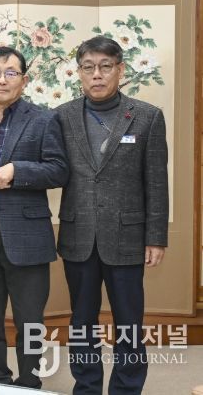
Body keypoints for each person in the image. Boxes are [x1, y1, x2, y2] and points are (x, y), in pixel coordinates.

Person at [55, 36, 169, 395]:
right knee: (82, 322)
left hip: (127, 236)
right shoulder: (61, 116)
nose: (97, 75)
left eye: (105, 66)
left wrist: (156, 237)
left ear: (120, 70)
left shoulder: (147, 116)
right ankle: (87, 387)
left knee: (129, 323)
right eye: (88, 67)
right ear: (79, 72)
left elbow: (156, 180)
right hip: (79, 235)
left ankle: (127, 389)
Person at [0, 47, 68, 388]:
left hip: (27, 238)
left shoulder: (44, 119)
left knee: (30, 321)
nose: (1, 80)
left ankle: (30, 382)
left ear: (24, 80)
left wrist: (18, 170)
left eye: (10, 73)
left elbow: (58, 170)